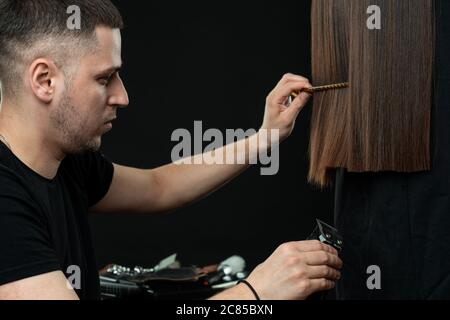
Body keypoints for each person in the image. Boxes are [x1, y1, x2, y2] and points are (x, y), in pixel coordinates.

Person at [0, 0, 342, 300]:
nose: (123, 97)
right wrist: (257, 293)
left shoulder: (68, 163)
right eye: (105, 79)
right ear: (45, 80)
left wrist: (265, 137)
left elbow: (159, 186)